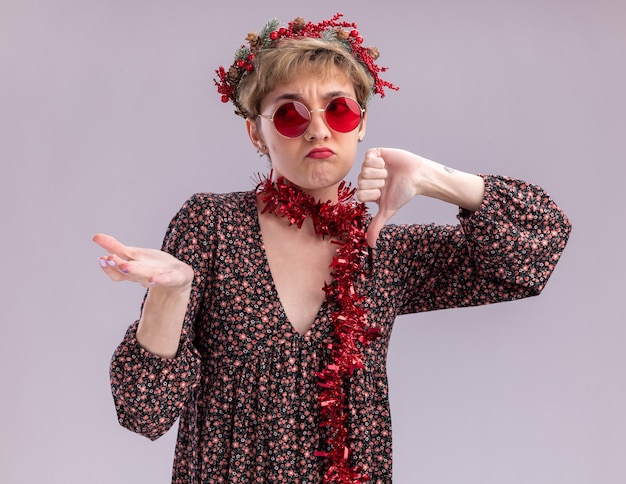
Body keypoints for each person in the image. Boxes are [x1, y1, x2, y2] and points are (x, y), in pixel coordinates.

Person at [93, 13, 571, 484]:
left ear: (361, 124)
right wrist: (170, 294)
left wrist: (435, 178)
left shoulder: (382, 249)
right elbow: (143, 412)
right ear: (255, 132)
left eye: (339, 109)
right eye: (289, 113)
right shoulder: (210, 227)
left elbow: (535, 251)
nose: (318, 130)